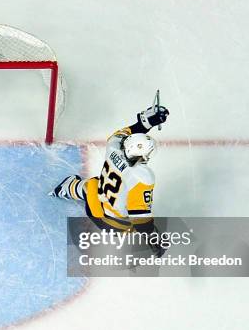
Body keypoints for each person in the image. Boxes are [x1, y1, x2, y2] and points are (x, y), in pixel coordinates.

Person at [50, 104, 170, 255]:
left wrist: (145, 122)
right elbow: (139, 216)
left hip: (94, 205)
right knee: (136, 220)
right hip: (113, 225)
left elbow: (124, 133)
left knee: (93, 184)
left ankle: (67, 188)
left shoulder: (114, 147)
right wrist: (154, 239)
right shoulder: (142, 177)